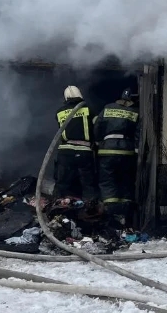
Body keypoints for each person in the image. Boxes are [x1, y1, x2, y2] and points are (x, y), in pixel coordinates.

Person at [94, 88, 140, 228]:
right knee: (125, 180)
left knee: (107, 181)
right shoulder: (135, 112)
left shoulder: (107, 108)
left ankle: (110, 212)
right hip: (126, 151)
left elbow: (98, 125)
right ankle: (125, 214)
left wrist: (97, 141)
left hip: (107, 150)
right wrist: (137, 148)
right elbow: (139, 131)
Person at [54, 86, 99, 205]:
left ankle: (57, 206)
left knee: (62, 182)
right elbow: (98, 128)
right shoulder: (88, 109)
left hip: (65, 152)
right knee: (88, 183)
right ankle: (90, 207)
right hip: (84, 151)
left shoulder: (59, 112)